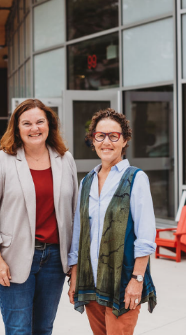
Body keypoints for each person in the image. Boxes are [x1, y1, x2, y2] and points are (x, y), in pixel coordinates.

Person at [0, 99, 78, 335]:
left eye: (40, 122)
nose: (35, 128)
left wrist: (74, 263)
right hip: (14, 258)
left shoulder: (65, 159)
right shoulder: (1, 160)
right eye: (27, 123)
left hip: (54, 260)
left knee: (44, 329)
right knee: (19, 330)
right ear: (17, 128)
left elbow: (75, 214)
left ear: (49, 125)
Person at [67, 108, 157, 335]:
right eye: (100, 136)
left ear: (124, 140)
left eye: (113, 136)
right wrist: (75, 275)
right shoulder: (86, 180)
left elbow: (145, 237)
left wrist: (137, 279)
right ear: (93, 140)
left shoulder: (136, 178)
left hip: (123, 280)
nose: (106, 142)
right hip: (91, 281)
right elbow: (79, 232)